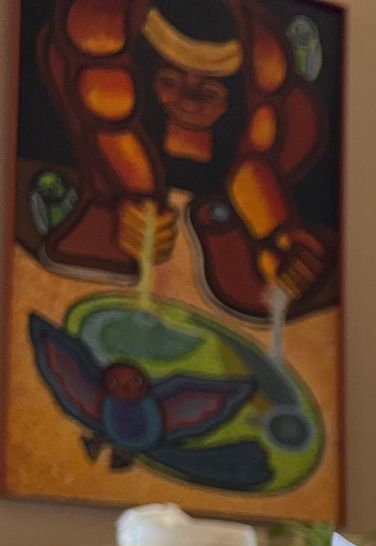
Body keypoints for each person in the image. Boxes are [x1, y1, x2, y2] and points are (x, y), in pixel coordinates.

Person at [35, 0, 337, 320]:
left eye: (208, 93)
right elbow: (106, 120)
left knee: (300, 108)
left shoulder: (263, 61)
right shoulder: (103, 37)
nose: (189, 103)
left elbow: (254, 160)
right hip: (118, 231)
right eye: (170, 84)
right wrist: (126, 199)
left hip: (223, 242)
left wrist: (277, 236)